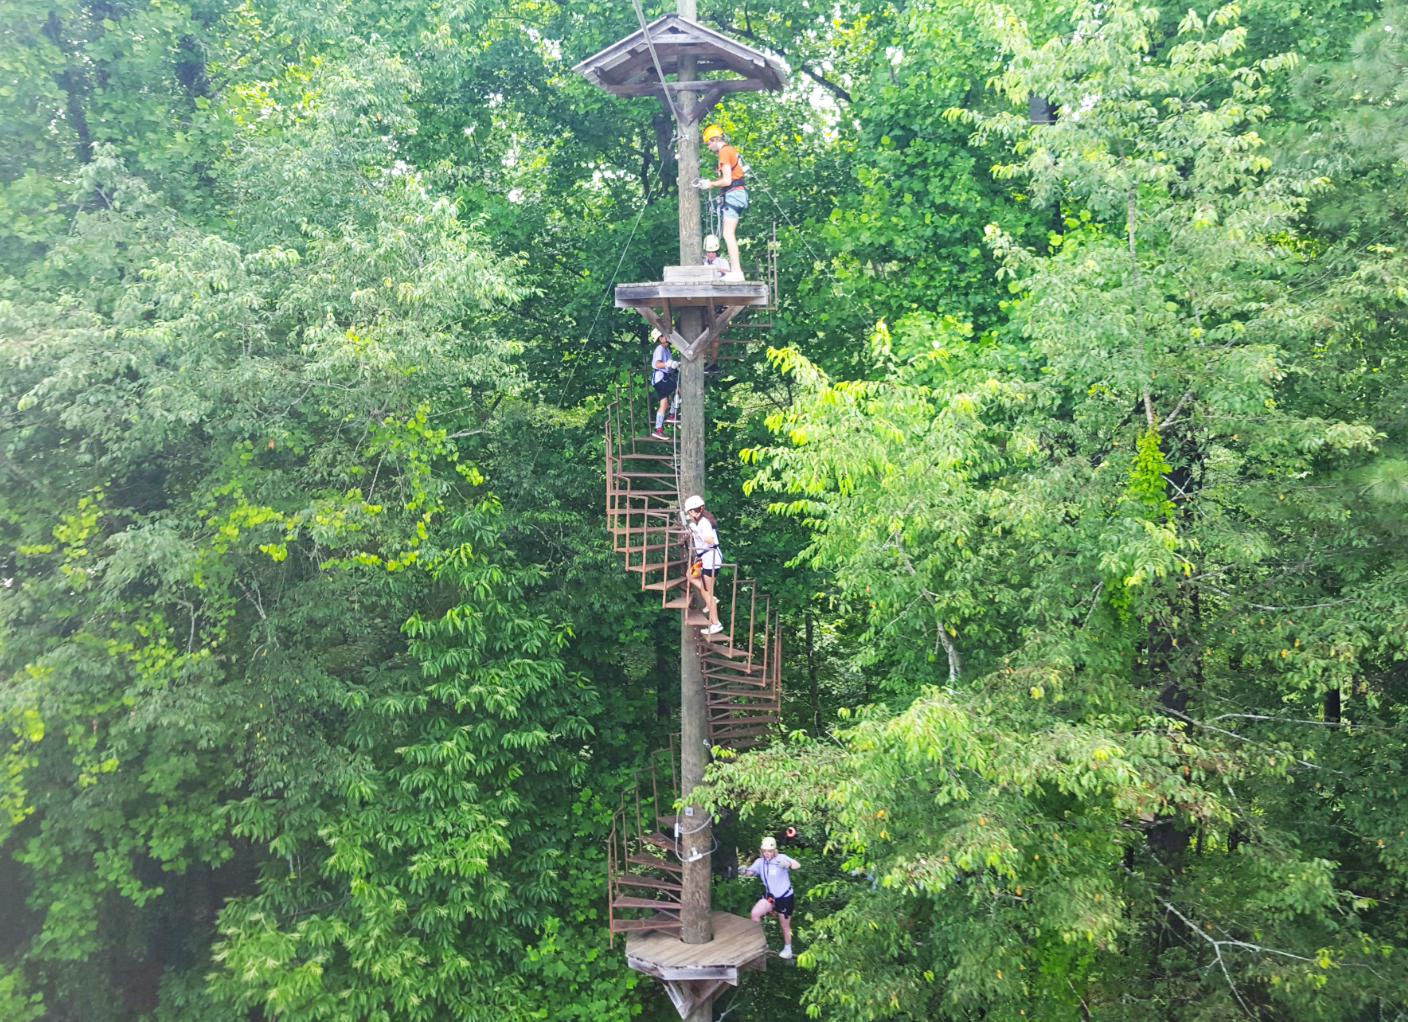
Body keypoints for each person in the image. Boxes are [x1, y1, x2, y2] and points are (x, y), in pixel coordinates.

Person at [696, 125, 747, 282]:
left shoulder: (724, 152)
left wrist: (709, 184)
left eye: (708, 144)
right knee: (728, 233)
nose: (708, 147)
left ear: (713, 140)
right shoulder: (730, 150)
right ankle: (736, 271)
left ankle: (737, 272)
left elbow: (727, 180)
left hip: (735, 194)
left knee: (727, 233)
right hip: (735, 194)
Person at [743, 836, 799, 958]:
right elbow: (750, 872)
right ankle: (759, 944)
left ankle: (788, 947)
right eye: (764, 851)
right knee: (755, 914)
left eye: (769, 851)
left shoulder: (781, 858)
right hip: (770, 897)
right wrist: (744, 870)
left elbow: (797, 864)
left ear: (774, 851)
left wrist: (788, 864)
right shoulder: (760, 862)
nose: (766, 854)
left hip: (784, 897)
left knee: (784, 925)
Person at [683, 495, 723, 634]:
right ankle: (711, 599)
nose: (689, 514)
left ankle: (715, 623)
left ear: (695, 511)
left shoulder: (704, 522)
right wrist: (692, 534)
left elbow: (710, 540)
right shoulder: (701, 521)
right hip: (706, 559)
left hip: (710, 559)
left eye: (690, 511)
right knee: (691, 574)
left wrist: (698, 534)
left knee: (707, 593)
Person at [650, 332, 679, 441]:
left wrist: (675, 366)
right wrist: (668, 364)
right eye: (664, 335)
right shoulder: (659, 349)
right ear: (660, 338)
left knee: (664, 403)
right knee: (678, 390)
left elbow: (668, 365)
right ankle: (671, 415)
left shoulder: (666, 351)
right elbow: (657, 364)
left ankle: (658, 429)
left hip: (662, 377)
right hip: (660, 378)